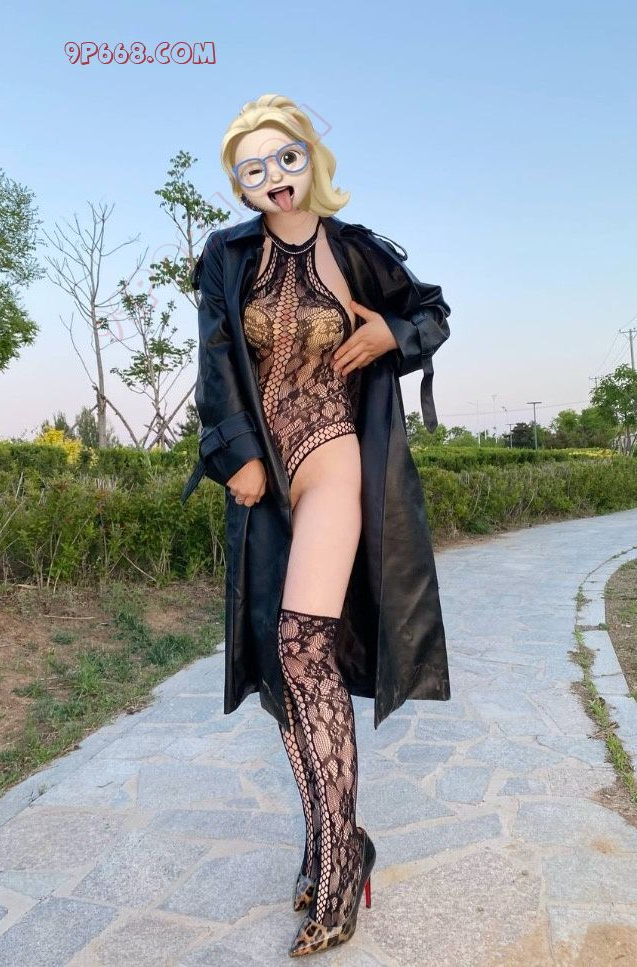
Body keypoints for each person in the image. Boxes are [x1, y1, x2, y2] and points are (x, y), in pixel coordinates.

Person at [186, 93, 451, 957]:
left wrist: (392, 337)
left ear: (311, 159)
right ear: (239, 182)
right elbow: (215, 366)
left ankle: (340, 866)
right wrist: (236, 454)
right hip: (266, 472)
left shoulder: (357, 250)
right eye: (253, 168)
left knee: (304, 645)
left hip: (335, 452)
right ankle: (334, 837)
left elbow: (432, 312)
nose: (274, 177)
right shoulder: (227, 257)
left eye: (286, 158)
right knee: (284, 667)